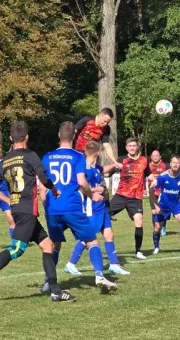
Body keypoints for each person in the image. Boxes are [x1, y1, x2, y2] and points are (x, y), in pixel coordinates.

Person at [0, 121, 76, 303]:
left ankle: (55, 290)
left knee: (47, 245)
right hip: (27, 210)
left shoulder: (5, 161)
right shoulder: (30, 155)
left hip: (19, 209)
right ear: (27, 137)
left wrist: (9, 200)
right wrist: (54, 189)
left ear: (11, 138)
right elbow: (43, 177)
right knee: (17, 249)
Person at [41, 122, 117, 291]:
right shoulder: (77, 156)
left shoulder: (47, 156)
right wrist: (92, 195)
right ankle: (99, 276)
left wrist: (46, 206)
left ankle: (48, 282)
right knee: (92, 240)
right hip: (72, 207)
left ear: (59, 135)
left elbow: (41, 188)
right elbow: (82, 183)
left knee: (54, 245)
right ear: (74, 136)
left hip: (53, 209)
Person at [64, 140, 130, 276]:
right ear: (98, 153)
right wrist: (95, 190)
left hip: (102, 207)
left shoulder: (94, 167)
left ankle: (113, 264)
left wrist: (114, 165)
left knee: (109, 234)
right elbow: (80, 187)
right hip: (91, 207)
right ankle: (71, 264)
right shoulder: (84, 168)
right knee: (87, 237)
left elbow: (102, 170)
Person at [108, 138, 154, 260]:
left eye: (134, 145)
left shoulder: (144, 160)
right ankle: (86, 240)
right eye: (130, 145)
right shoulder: (121, 159)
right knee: (103, 214)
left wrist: (155, 181)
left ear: (137, 146)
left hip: (136, 198)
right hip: (121, 195)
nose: (132, 147)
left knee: (139, 221)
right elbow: (108, 173)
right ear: (127, 147)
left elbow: (149, 175)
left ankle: (138, 251)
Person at [151, 155, 180, 256]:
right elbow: (151, 190)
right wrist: (155, 206)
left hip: (176, 204)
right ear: (170, 164)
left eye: (178, 163)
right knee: (157, 228)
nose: (175, 165)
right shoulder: (163, 176)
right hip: (163, 205)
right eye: (174, 162)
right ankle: (156, 247)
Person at [148, 150, 169, 238]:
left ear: (160, 157)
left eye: (157, 155)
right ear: (151, 157)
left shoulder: (166, 166)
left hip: (163, 192)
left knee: (162, 211)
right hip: (152, 192)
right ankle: (156, 227)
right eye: (153, 155)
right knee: (154, 211)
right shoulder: (147, 166)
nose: (155, 157)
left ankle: (163, 226)